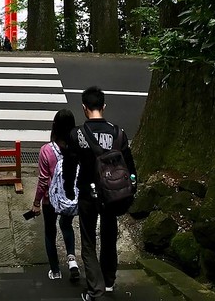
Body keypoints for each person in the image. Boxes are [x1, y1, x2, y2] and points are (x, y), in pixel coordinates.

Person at [63, 86, 137, 300]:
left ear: (84, 108)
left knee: (88, 240)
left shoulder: (77, 134)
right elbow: (130, 167)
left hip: (88, 193)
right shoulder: (118, 133)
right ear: (104, 107)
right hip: (112, 194)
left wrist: (69, 188)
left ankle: (96, 289)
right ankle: (109, 281)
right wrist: (131, 187)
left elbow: (69, 165)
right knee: (109, 235)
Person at [31, 109, 80, 281]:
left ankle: (55, 271)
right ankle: (72, 260)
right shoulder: (77, 147)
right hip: (69, 197)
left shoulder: (46, 150)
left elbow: (43, 181)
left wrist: (36, 202)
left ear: (55, 127)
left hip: (50, 200)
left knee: (50, 232)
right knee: (66, 226)